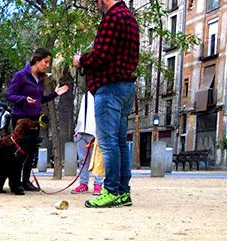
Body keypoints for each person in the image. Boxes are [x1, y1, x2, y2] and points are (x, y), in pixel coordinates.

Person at [73, 0, 139, 208]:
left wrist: (80, 60)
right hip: (126, 87)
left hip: (109, 88)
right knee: (120, 143)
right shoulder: (130, 18)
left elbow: (100, 56)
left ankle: (110, 191)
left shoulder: (112, 18)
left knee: (109, 143)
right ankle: (122, 192)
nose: (96, 5)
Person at [7, 48, 68, 191]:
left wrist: (55, 94)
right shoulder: (20, 76)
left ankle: (26, 181)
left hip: (34, 120)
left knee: (31, 151)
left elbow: (40, 100)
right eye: (46, 62)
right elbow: (10, 95)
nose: (47, 65)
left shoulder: (40, 79)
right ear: (37, 60)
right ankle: (15, 182)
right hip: (20, 119)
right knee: (19, 151)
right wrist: (23, 99)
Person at [71, 91, 103, 195]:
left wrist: (98, 132)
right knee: (81, 161)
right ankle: (83, 184)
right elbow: (81, 114)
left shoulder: (101, 93)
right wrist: (77, 130)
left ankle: (98, 185)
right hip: (81, 132)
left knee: (98, 160)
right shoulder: (85, 95)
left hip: (95, 133)